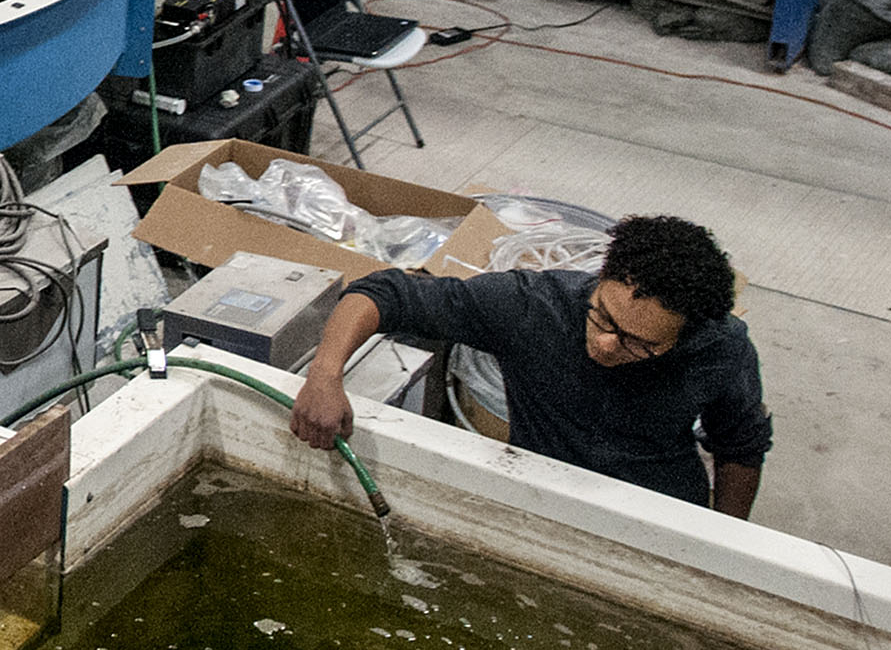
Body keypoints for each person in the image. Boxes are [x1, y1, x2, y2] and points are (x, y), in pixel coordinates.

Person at [288, 214, 771, 517]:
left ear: (685, 337)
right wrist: (324, 376)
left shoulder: (722, 348)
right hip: (542, 499)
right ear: (600, 278)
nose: (606, 344)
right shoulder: (532, 307)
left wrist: (727, 538)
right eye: (603, 315)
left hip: (659, 509)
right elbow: (383, 293)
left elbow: (742, 447)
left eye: (638, 344)